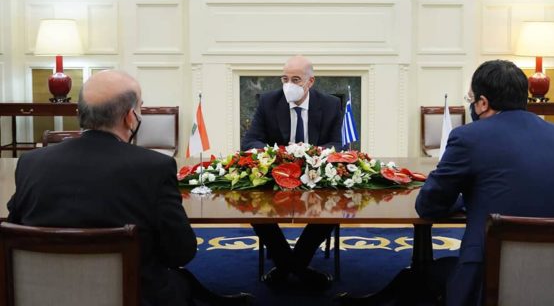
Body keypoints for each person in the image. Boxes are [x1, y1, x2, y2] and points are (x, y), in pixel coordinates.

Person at [7, 70, 250, 306]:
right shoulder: (154, 167)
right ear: (130, 117)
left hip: (42, 293)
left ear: (80, 112)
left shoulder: (30, 162)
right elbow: (181, 252)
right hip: (133, 295)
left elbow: (13, 232)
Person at [415, 60, 554, 306]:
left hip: (491, 278)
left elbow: (428, 205)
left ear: (483, 103)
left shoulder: (469, 137)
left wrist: (462, 200)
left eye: (471, 99)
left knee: (418, 278)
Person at [242, 55, 343, 289]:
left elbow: (338, 145)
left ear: (310, 82)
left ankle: (288, 266)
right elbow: (250, 141)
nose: (289, 85)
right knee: (253, 204)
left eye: (296, 79)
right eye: (284, 79)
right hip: (277, 173)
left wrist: (310, 156)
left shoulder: (330, 104)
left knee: (334, 205)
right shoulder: (269, 101)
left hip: (316, 173)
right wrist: (278, 156)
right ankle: (296, 267)